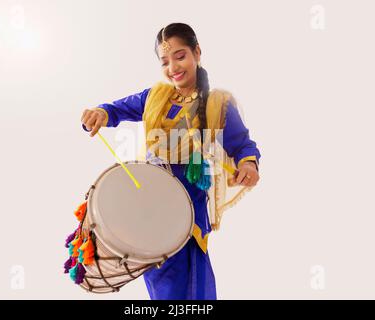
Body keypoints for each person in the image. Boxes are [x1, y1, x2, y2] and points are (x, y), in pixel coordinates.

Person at [80, 23, 261, 300]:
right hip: (150, 210)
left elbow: (243, 145)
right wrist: (99, 114)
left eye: (180, 56)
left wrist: (248, 164)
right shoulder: (156, 96)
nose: (173, 67)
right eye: (165, 61)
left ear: (197, 53)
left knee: (194, 289)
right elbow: (116, 109)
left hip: (188, 213)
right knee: (161, 285)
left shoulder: (217, 103)